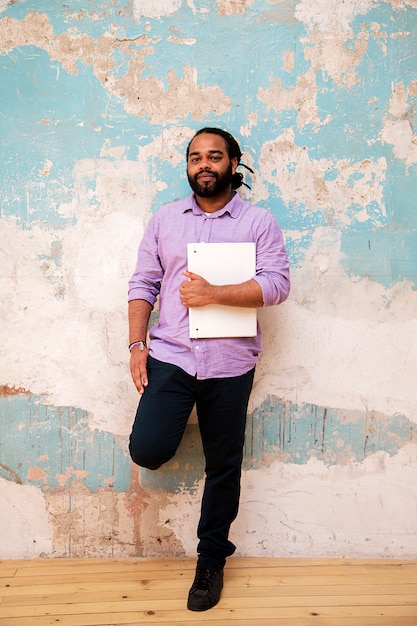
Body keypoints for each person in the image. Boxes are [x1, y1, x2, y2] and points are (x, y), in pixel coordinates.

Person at [128, 127, 290, 611]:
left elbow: (278, 285)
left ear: (234, 164)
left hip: (230, 363)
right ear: (188, 166)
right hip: (172, 355)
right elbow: (143, 282)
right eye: (195, 156)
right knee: (148, 448)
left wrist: (215, 294)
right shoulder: (164, 219)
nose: (204, 164)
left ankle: (210, 561)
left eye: (214, 156)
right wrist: (137, 344)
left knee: (224, 465)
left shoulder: (259, 222)